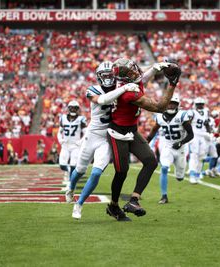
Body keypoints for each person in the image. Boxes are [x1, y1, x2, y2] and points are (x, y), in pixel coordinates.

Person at [66, 61, 142, 220]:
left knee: (96, 173)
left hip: (107, 136)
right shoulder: (93, 89)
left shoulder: (120, 87)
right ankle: (70, 188)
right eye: (104, 75)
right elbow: (103, 100)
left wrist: (154, 69)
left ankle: (79, 204)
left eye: (110, 75)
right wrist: (123, 88)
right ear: (99, 77)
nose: (108, 78)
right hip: (92, 135)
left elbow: (139, 80)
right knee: (79, 170)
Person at [106, 58, 180, 220]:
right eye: (132, 71)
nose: (136, 71)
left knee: (151, 161)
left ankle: (133, 200)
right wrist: (172, 83)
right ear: (125, 78)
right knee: (122, 171)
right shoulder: (128, 93)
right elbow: (160, 108)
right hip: (117, 132)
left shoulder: (129, 82)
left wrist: (156, 67)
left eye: (135, 68)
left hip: (131, 130)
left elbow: (142, 76)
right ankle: (113, 206)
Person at [147, 94, 194, 204]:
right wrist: (146, 142)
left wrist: (181, 142)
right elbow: (154, 130)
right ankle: (164, 196)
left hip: (181, 148)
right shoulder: (159, 117)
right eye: (169, 103)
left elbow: (191, 134)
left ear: (178, 105)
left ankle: (180, 175)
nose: (171, 106)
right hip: (168, 147)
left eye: (173, 104)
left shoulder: (182, 116)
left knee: (180, 178)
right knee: (164, 168)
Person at [57, 100, 87, 181]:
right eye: (72, 108)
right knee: (62, 165)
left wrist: (80, 142)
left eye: (75, 108)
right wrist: (60, 139)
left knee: (73, 164)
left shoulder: (81, 119)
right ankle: (73, 173)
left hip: (75, 145)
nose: (73, 110)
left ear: (77, 109)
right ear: (68, 108)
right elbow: (59, 131)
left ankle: (72, 182)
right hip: (65, 145)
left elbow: (86, 133)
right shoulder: (63, 118)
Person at [188, 97, 213, 184]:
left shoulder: (206, 111)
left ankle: (197, 175)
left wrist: (210, 132)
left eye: (201, 104)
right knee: (194, 155)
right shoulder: (192, 112)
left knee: (202, 156)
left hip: (203, 135)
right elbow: (188, 123)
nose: (200, 106)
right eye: (198, 104)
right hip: (194, 135)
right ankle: (192, 175)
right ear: (195, 104)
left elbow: (206, 123)